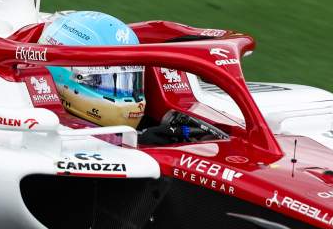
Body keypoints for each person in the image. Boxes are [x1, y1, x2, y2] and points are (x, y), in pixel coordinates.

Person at [40, 11, 228, 144]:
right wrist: (137, 142)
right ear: (65, 76)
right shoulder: (35, 123)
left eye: (129, 81)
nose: (128, 98)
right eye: (106, 82)